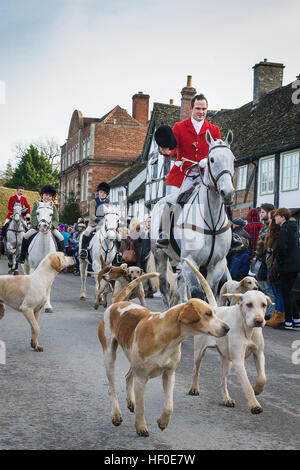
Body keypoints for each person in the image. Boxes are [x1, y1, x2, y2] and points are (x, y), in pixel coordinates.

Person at [155, 94, 240, 250]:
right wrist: (165, 150)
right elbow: (171, 150)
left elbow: (219, 152)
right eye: (198, 109)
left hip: (207, 174)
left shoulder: (214, 129)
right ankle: (164, 234)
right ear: (191, 109)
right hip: (183, 173)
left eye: (204, 109)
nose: (201, 112)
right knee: (174, 200)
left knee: (222, 197)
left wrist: (207, 160)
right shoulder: (179, 127)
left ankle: (231, 234)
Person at [17, 185, 65, 264]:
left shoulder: (53, 206)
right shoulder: (37, 204)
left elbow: (56, 218)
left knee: (61, 237)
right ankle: (22, 256)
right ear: (42, 195)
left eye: (50, 196)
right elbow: (33, 215)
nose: (48, 197)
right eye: (46, 195)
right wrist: (37, 225)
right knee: (25, 236)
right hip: (37, 227)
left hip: (50, 227)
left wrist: (52, 225)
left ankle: (61, 259)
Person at [273, 208, 300, 330]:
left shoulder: (284, 229)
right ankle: (296, 319)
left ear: (283, 217)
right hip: (295, 264)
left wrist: (279, 264)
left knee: (286, 293)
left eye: (277, 216)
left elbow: (282, 249)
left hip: (287, 266)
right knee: (290, 292)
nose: (275, 218)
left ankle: (288, 322)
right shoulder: (293, 228)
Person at [264, 210, 285, 327]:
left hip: (274, 265)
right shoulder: (272, 232)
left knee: (277, 292)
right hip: (270, 264)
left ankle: (278, 316)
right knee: (275, 291)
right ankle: (275, 315)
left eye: (271, 218)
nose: (270, 221)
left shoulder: (277, 233)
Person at [79, 182, 110, 259]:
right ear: (98, 192)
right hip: (94, 224)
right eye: (101, 192)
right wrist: (99, 221)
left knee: (117, 236)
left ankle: (116, 253)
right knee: (86, 233)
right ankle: (84, 250)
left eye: (104, 192)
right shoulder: (94, 202)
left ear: (107, 194)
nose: (102, 194)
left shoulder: (109, 202)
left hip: (105, 224)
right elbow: (92, 215)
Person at [140, 216, 154, 298]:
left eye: (150, 222)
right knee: (144, 273)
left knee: (149, 273)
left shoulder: (154, 232)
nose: (149, 223)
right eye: (148, 221)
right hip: (142, 255)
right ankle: (145, 290)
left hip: (151, 255)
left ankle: (150, 290)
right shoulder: (143, 231)